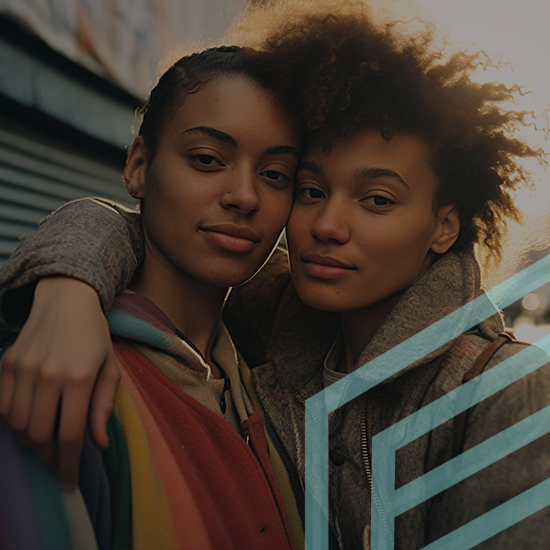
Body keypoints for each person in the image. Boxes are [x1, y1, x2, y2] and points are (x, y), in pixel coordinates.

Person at [2, 1, 550, 548]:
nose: (328, 225)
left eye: (377, 199)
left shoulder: (501, 392)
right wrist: (68, 288)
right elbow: (141, 232)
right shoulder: (272, 328)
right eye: (310, 190)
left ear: (444, 226)